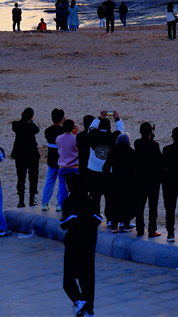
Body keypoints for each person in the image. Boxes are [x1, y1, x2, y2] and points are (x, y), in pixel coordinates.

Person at [59, 172, 101, 317]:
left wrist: (74, 220)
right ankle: (89, 307)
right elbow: (97, 219)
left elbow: (64, 224)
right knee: (88, 279)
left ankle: (79, 301)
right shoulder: (92, 201)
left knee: (68, 280)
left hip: (73, 245)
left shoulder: (68, 202)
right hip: (88, 245)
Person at [103, 133, 137, 233]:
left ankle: (114, 225)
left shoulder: (113, 152)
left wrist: (109, 177)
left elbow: (105, 168)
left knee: (115, 202)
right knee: (127, 202)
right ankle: (126, 225)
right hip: (128, 180)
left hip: (115, 180)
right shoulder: (132, 152)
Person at [134, 122, 163, 238]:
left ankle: (140, 229)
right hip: (152, 180)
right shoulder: (154, 146)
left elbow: (145, 143)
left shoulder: (137, 143)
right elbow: (159, 161)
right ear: (150, 132)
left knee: (140, 206)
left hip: (140, 178)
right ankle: (152, 230)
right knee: (152, 206)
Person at [11, 107, 40, 207]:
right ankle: (32, 199)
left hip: (20, 154)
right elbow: (37, 130)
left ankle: (21, 200)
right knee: (33, 177)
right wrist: (32, 121)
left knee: (21, 177)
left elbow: (15, 127)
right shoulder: (31, 126)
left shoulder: (16, 124)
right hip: (32, 154)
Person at [42, 108, 65, 212]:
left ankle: (44, 202)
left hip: (51, 158)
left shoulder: (47, 131)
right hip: (61, 159)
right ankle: (59, 203)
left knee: (49, 181)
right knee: (61, 182)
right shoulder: (63, 131)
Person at [56, 119, 81, 214]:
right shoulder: (76, 138)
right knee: (76, 188)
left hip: (63, 167)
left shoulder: (59, 138)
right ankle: (76, 206)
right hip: (75, 166)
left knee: (63, 187)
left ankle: (62, 205)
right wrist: (76, 132)